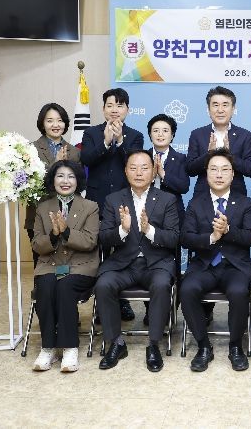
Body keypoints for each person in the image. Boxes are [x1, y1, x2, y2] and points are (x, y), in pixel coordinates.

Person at [94, 150, 180, 373]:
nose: (139, 172)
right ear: (125, 171)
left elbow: (173, 238)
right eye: (133, 168)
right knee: (103, 284)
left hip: (156, 263)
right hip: (123, 264)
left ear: (154, 172)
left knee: (162, 284)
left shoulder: (167, 200)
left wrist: (149, 230)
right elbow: (103, 238)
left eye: (144, 168)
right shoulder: (113, 199)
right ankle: (116, 343)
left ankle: (154, 344)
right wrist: (122, 230)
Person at [180, 149, 251, 372]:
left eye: (225, 169)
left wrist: (229, 230)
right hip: (204, 265)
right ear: (206, 174)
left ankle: (236, 347)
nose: (219, 174)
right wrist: (212, 237)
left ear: (233, 174)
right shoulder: (196, 203)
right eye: (214, 169)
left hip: (235, 266)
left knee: (239, 291)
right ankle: (204, 346)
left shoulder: (245, 203)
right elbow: (186, 238)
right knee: (187, 289)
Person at [81, 88, 145, 322]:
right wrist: (106, 142)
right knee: (99, 252)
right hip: (96, 203)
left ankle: (122, 302)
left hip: (124, 203)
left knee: (123, 251)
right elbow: (86, 159)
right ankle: (102, 302)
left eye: (119, 105)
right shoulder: (91, 133)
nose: (115, 110)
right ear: (103, 109)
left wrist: (120, 141)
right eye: (110, 105)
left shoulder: (135, 135)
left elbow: (135, 164)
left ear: (127, 109)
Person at [30, 160, 98, 373]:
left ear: (78, 181)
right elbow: (36, 244)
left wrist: (66, 232)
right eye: (60, 176)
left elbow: (90, 241)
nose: (65, 181)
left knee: (65, 286)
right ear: (53, 180)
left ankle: (70, 348)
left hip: (80, 266)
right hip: (50, 265)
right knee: (46, 286)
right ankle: (48, 347)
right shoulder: (43, 208)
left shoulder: (90, 207)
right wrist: (53, 235)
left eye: (71, 176)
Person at [141, 113, 190, 326]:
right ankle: (150, 309)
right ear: (150, 134)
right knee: (146, 262)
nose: (160, 134)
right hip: (145, 216)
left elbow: (184, 186)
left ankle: (170, 310)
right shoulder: (142, 157)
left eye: (165, 131)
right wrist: (149, 176)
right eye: (156, 131)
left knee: (173, 263)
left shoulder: (180, 159)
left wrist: (163, 175)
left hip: (172, 218)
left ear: (172, 135)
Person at [25, 103, 81, 267]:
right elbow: (30, 184)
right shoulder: (31, 149)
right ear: (42, 124)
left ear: (65, 123)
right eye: (50, 121)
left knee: (67, 262)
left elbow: (78, 184)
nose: (55, 125)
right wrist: (55, 165)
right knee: (41, 262)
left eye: (60, 120)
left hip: (67, 215)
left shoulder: (75, 152)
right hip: (38, 214)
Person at [186, 86, 251, 197]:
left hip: (236, 196)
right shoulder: (197, 134)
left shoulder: (244, 135)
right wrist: (208, 154)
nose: (220, 110)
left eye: (225, 105)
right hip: (203, 196)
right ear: (208, 109)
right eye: (215, 105)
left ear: (233, 109)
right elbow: (190, 170)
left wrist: (230, 156)